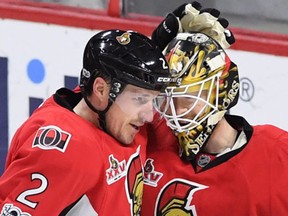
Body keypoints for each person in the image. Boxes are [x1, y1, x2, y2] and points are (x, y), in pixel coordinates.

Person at [0, 29, 171, 215]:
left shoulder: (111, 116)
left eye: (152, 100)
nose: (148, 116)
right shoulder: (68, 152)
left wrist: (157, 48)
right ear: (101, 90)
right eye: (140, 99)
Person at [142, 32, 288, 215]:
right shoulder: (146, 135)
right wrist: (146, 54)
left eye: (187, 99)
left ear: (221, 92)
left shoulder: (276, 155)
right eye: (168, 98)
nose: (176, 112)